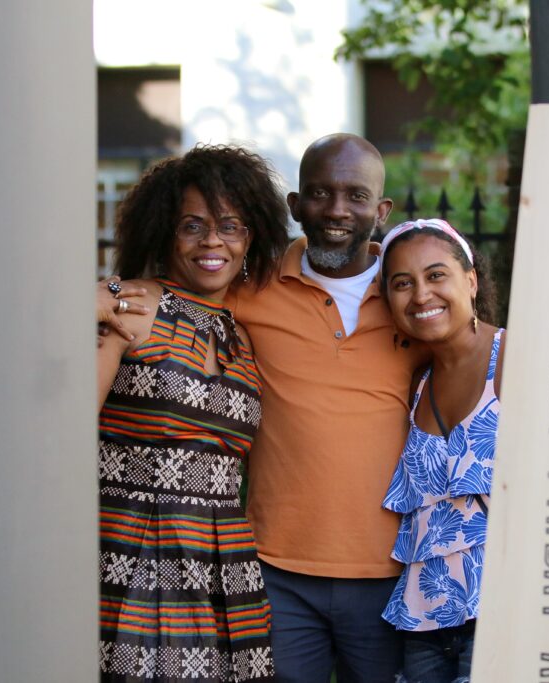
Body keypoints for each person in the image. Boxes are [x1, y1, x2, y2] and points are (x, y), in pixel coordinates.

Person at [102, 133, 427, 682]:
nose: (338, 210)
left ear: (382, 209)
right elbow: (167, 289)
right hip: (263, 568)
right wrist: (106, 293)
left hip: (385, 571)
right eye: (321, 194)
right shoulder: (247, 288)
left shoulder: (411, 298)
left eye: (356, 195)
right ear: (294, 207)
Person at [96, 144, 289, 681]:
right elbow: (62, 428)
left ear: (251, 238)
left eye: (231, 226)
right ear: (164, 233)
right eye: (192, 226)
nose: (212, 242)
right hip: (133, 547)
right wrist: (104, 294)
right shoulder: (132, 307)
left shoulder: (242, 336)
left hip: (223, 558)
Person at [377, 218, 504, 683]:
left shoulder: (514, 356)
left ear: (470, 280)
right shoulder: (416, 384)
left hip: (502, 613)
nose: (421, 295)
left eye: (436, 275)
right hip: (425, 625)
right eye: (402, 283)